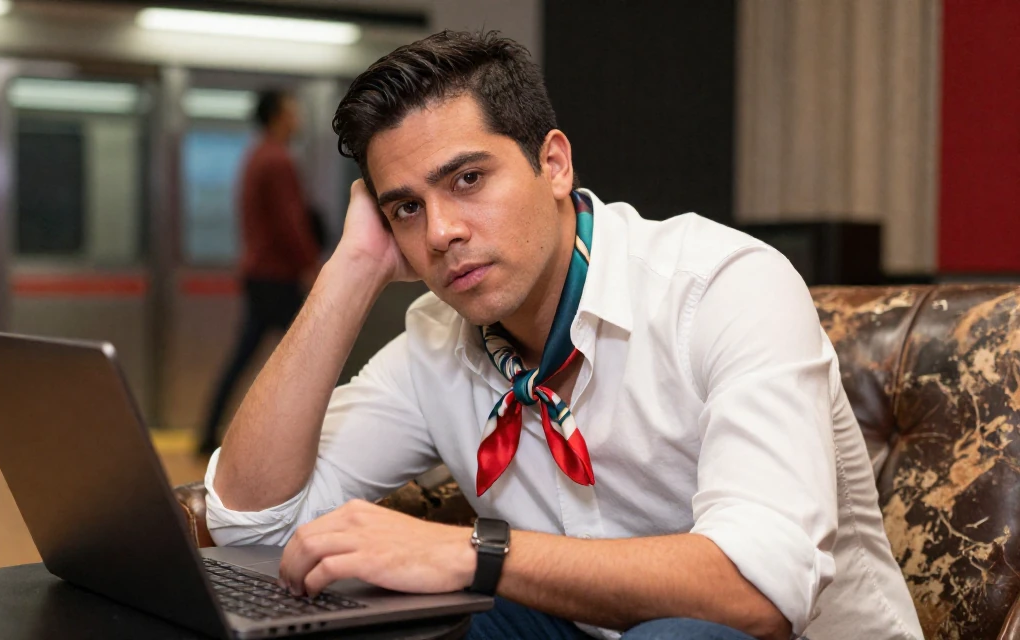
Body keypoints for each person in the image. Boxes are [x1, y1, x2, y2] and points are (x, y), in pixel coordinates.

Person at [201, 32, 923, 640]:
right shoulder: (435, 344)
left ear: (553, 163)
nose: (442, 232)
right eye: (407, 209)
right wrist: (350, 271)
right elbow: (249, 525)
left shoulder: (723, 287)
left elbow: (758, 591)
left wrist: (474, 554)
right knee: (411, 613)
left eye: (467, 179)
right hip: (589, 628)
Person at [197, 89, 321, 455]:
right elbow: (289, 222)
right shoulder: (278, 160)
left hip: (260, 273)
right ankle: (303, 438)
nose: (298, 119)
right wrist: (310, 263)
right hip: (277, 276)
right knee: (312, 355)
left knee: (247, 355)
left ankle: (210, 431)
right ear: (277, 117)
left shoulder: (256, 156)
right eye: (292, 111)